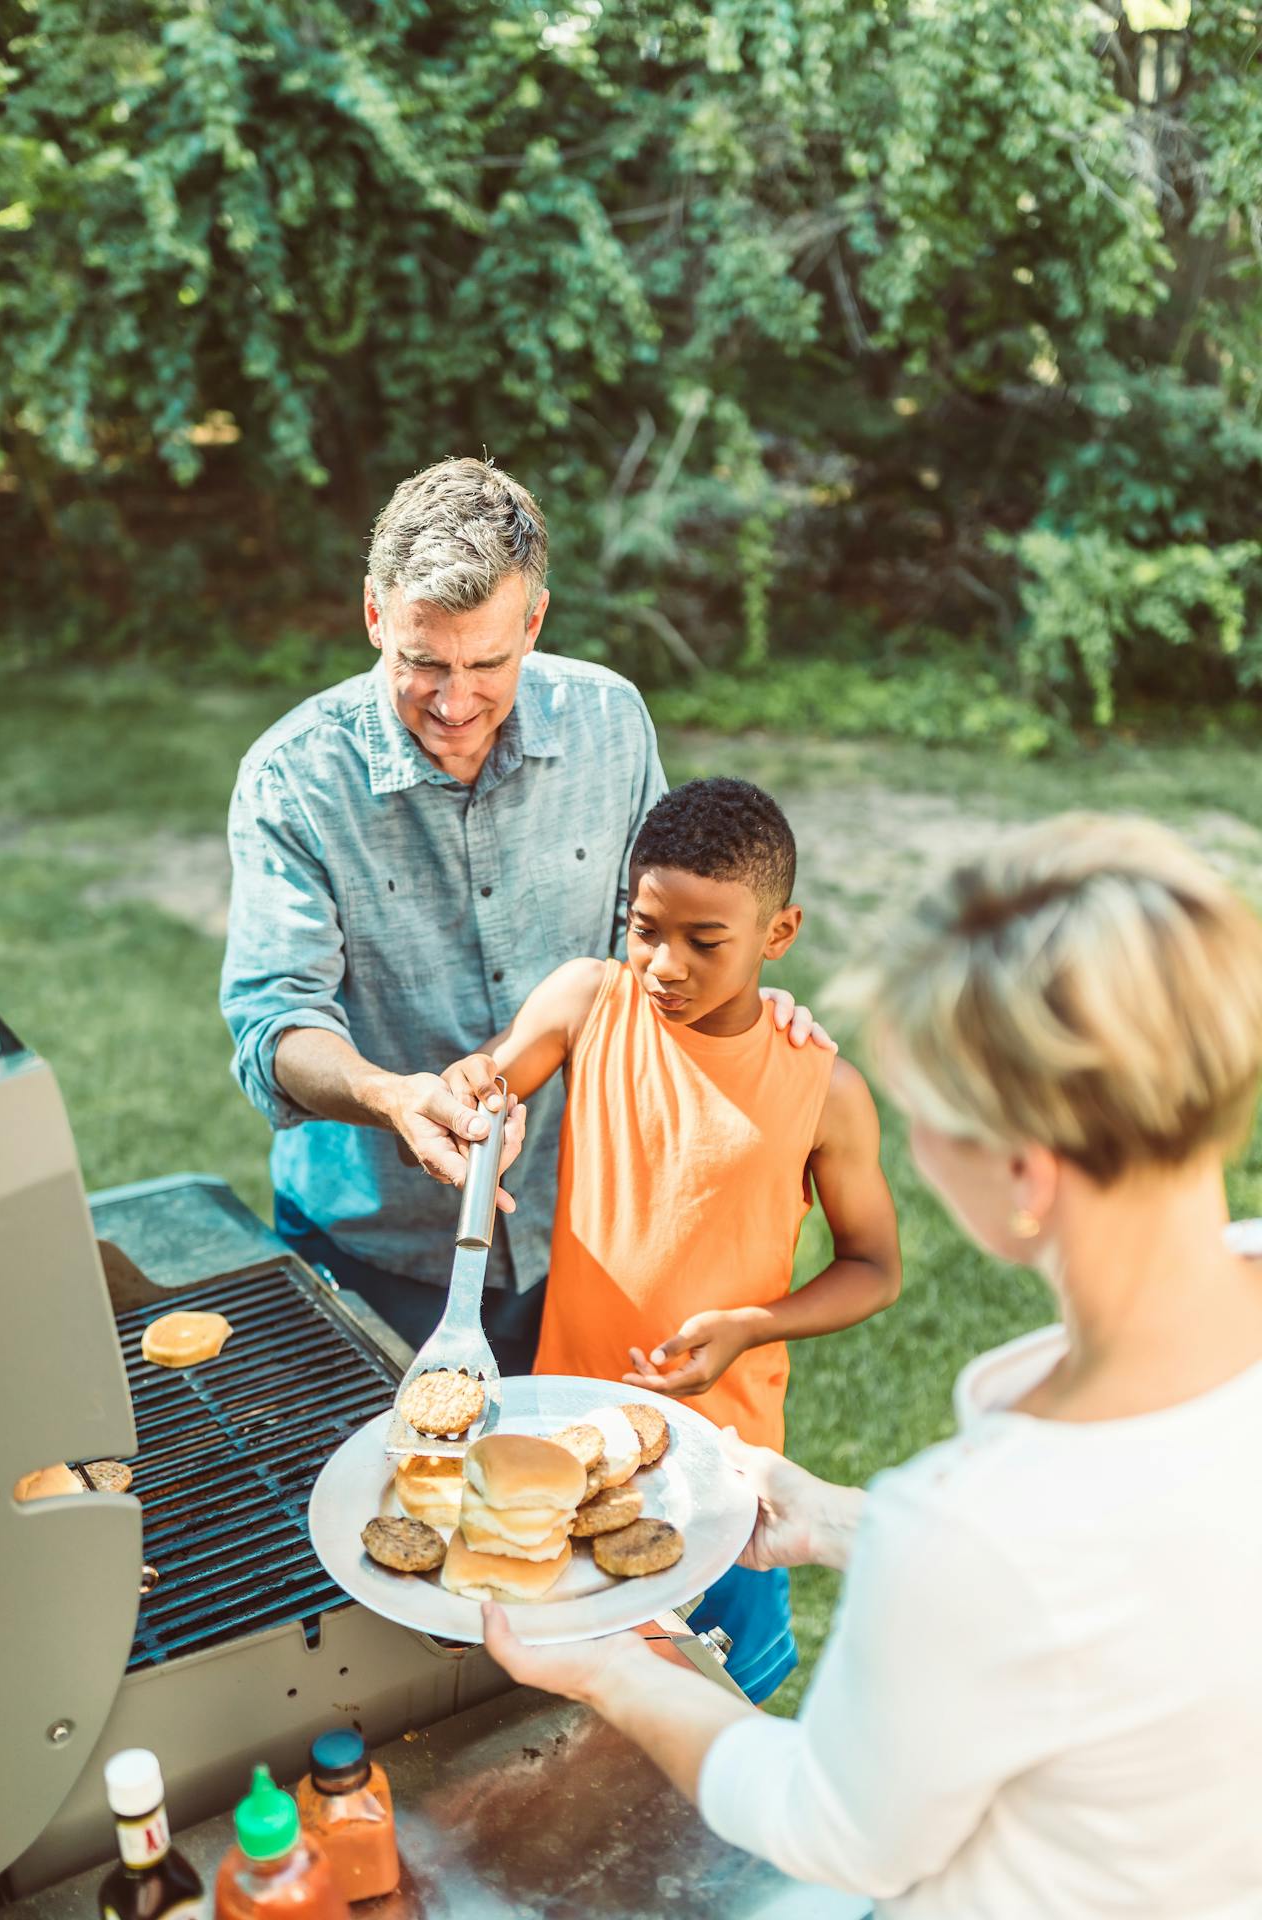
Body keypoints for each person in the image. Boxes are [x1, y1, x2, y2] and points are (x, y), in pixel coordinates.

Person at [481, 812, 1262, 1918]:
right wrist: (846, 1523)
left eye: (927, 1112)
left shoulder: (965, 1531)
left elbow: (823, 1826)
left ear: (1021, 1175)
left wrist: (608, 1666)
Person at [220, 457, 827, 1366]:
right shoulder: (293, 779)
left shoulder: (612, 723)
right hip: (374, 1244)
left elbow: (657, 934)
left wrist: (746, 1009)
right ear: (375, 615)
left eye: (488, 663)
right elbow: (275, 1024)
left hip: (583, 1222)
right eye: (422, 662)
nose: (454, 701)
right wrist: (392, 1097)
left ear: (534, 621)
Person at [444, 777, 901, 1699]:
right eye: (646, 928)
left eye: (706, 942)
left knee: (713, 1691)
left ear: (779, 935)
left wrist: (752, 1325)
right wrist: (476, 1105)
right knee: (563, 1700)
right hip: (565, 1438)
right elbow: (488, 1079)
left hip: (725, 1466)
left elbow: (874, 1267)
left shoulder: (825, 1091)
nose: (664, 965)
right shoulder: (586, 1002)